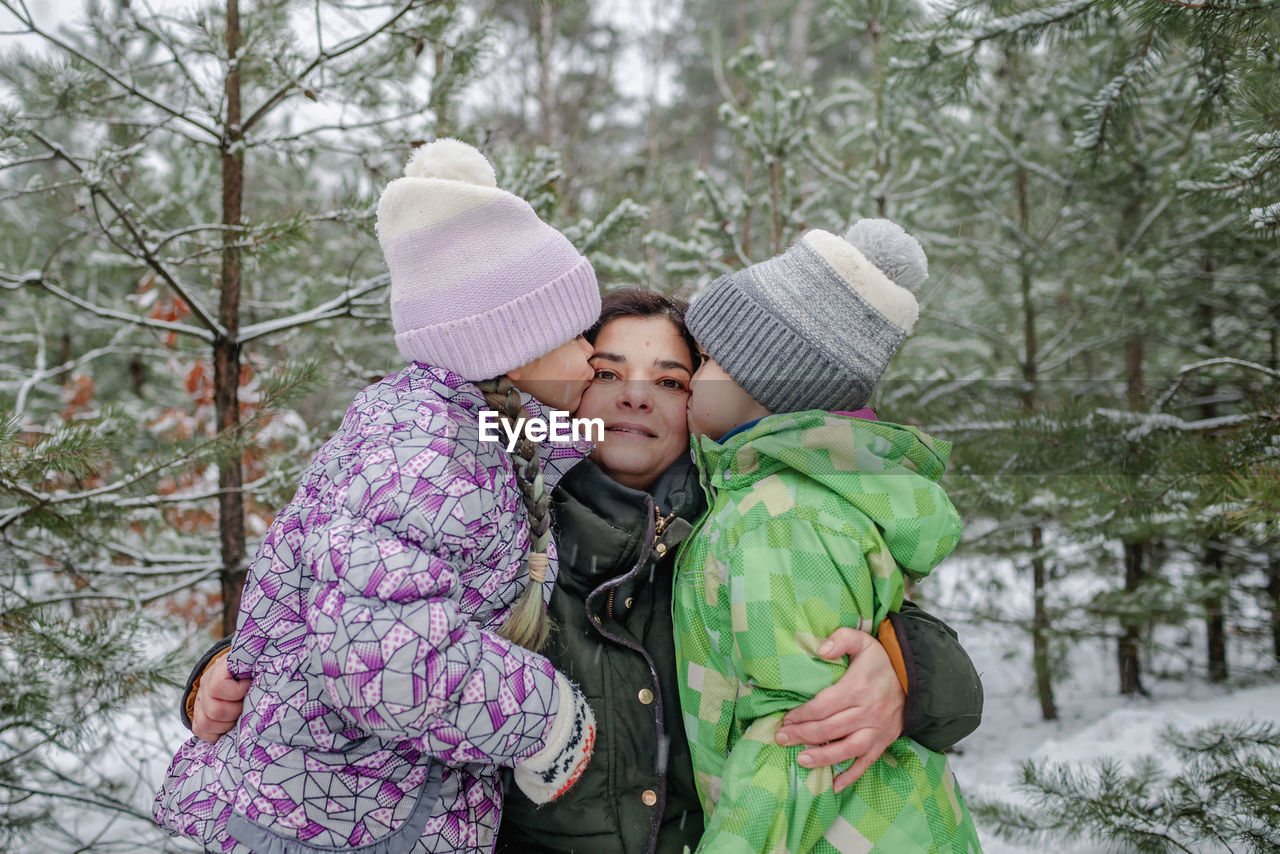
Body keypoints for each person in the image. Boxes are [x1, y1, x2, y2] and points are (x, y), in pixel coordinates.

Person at [187, 289, 985, 854]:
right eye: (606, 371)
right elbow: (358, 622)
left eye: (671, 381)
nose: (636, 395)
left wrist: (902, 669)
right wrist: (221, 673)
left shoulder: (750, 537)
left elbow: (956, 694)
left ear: (706, 405)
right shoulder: (485, 533)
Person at [153, 139, 605, 854]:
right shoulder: (426, 454)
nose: (592, 357)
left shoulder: (442, 423)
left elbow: (554, 440)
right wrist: (547, 716)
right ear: (510, 339)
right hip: (338, 823)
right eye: (578, 335)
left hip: (335, 806)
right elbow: (384, 658)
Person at [675, 221, 983, 853]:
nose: (685, 379)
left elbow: (797, 748)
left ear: (762, 381)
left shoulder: (779, 522)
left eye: (702, 360)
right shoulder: (766, 500)